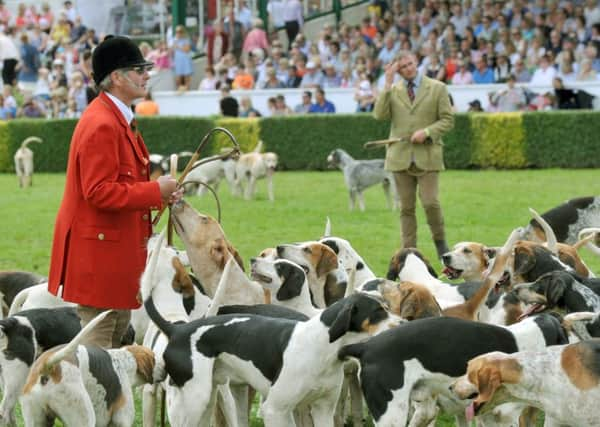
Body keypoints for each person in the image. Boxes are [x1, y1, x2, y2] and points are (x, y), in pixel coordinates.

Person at [47, 36, 182, 349]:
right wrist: (154, 190)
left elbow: (123, 183)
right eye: (138, 69)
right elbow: (98, 191)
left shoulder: (115, 115)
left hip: (112, 249)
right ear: (117, 77)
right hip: (99, 252)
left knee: (117, 331)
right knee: (99, 347)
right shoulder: (103, 122)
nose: (146, 74)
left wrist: (159, 193)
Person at [373, 50, 454, 259]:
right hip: (399, 157)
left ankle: (440, 243)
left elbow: (448, 120)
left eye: (409, 64)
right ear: (397, 71)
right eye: (402, 68)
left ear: (415, 61)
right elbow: (379, 115)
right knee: (406, 208)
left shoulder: (437, 88)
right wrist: (387, 83)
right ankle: (409, 252)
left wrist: (427, 132)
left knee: (430, 203)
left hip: (428, 155)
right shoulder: (394, 90)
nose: (408, 69)